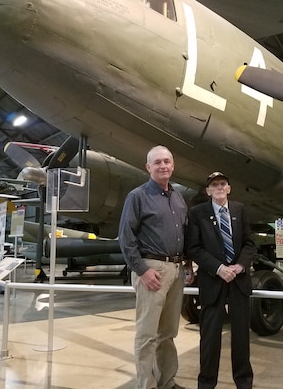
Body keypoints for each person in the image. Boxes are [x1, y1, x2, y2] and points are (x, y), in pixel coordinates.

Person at [118, 145, 193, 389]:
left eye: (167, 161)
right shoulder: (138, 196)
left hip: (176, 268)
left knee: (168, 332)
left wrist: (188, 264)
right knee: (147, 334)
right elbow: (125, 236)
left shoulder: (178, 197)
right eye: (157, 162)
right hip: (152, 269)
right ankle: (146, 385)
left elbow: (185, 233)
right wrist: (141, 269)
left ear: (173, 166)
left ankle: (167, 381)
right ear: (148, 167)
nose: (163, 166)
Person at [186, 171, 255, 389]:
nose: (218, 187)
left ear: (229, 188)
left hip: (238, 282)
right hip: (212, 282)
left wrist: (240, 266)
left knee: (241, 337)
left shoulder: (239, 210)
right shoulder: (198, 213)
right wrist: (218, 268)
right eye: (214, 185)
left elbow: (249, 244)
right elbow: (194, 248)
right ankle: (206, 383)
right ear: (207, 191)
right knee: (209, 338)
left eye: (222, 184)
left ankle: (244, 382)